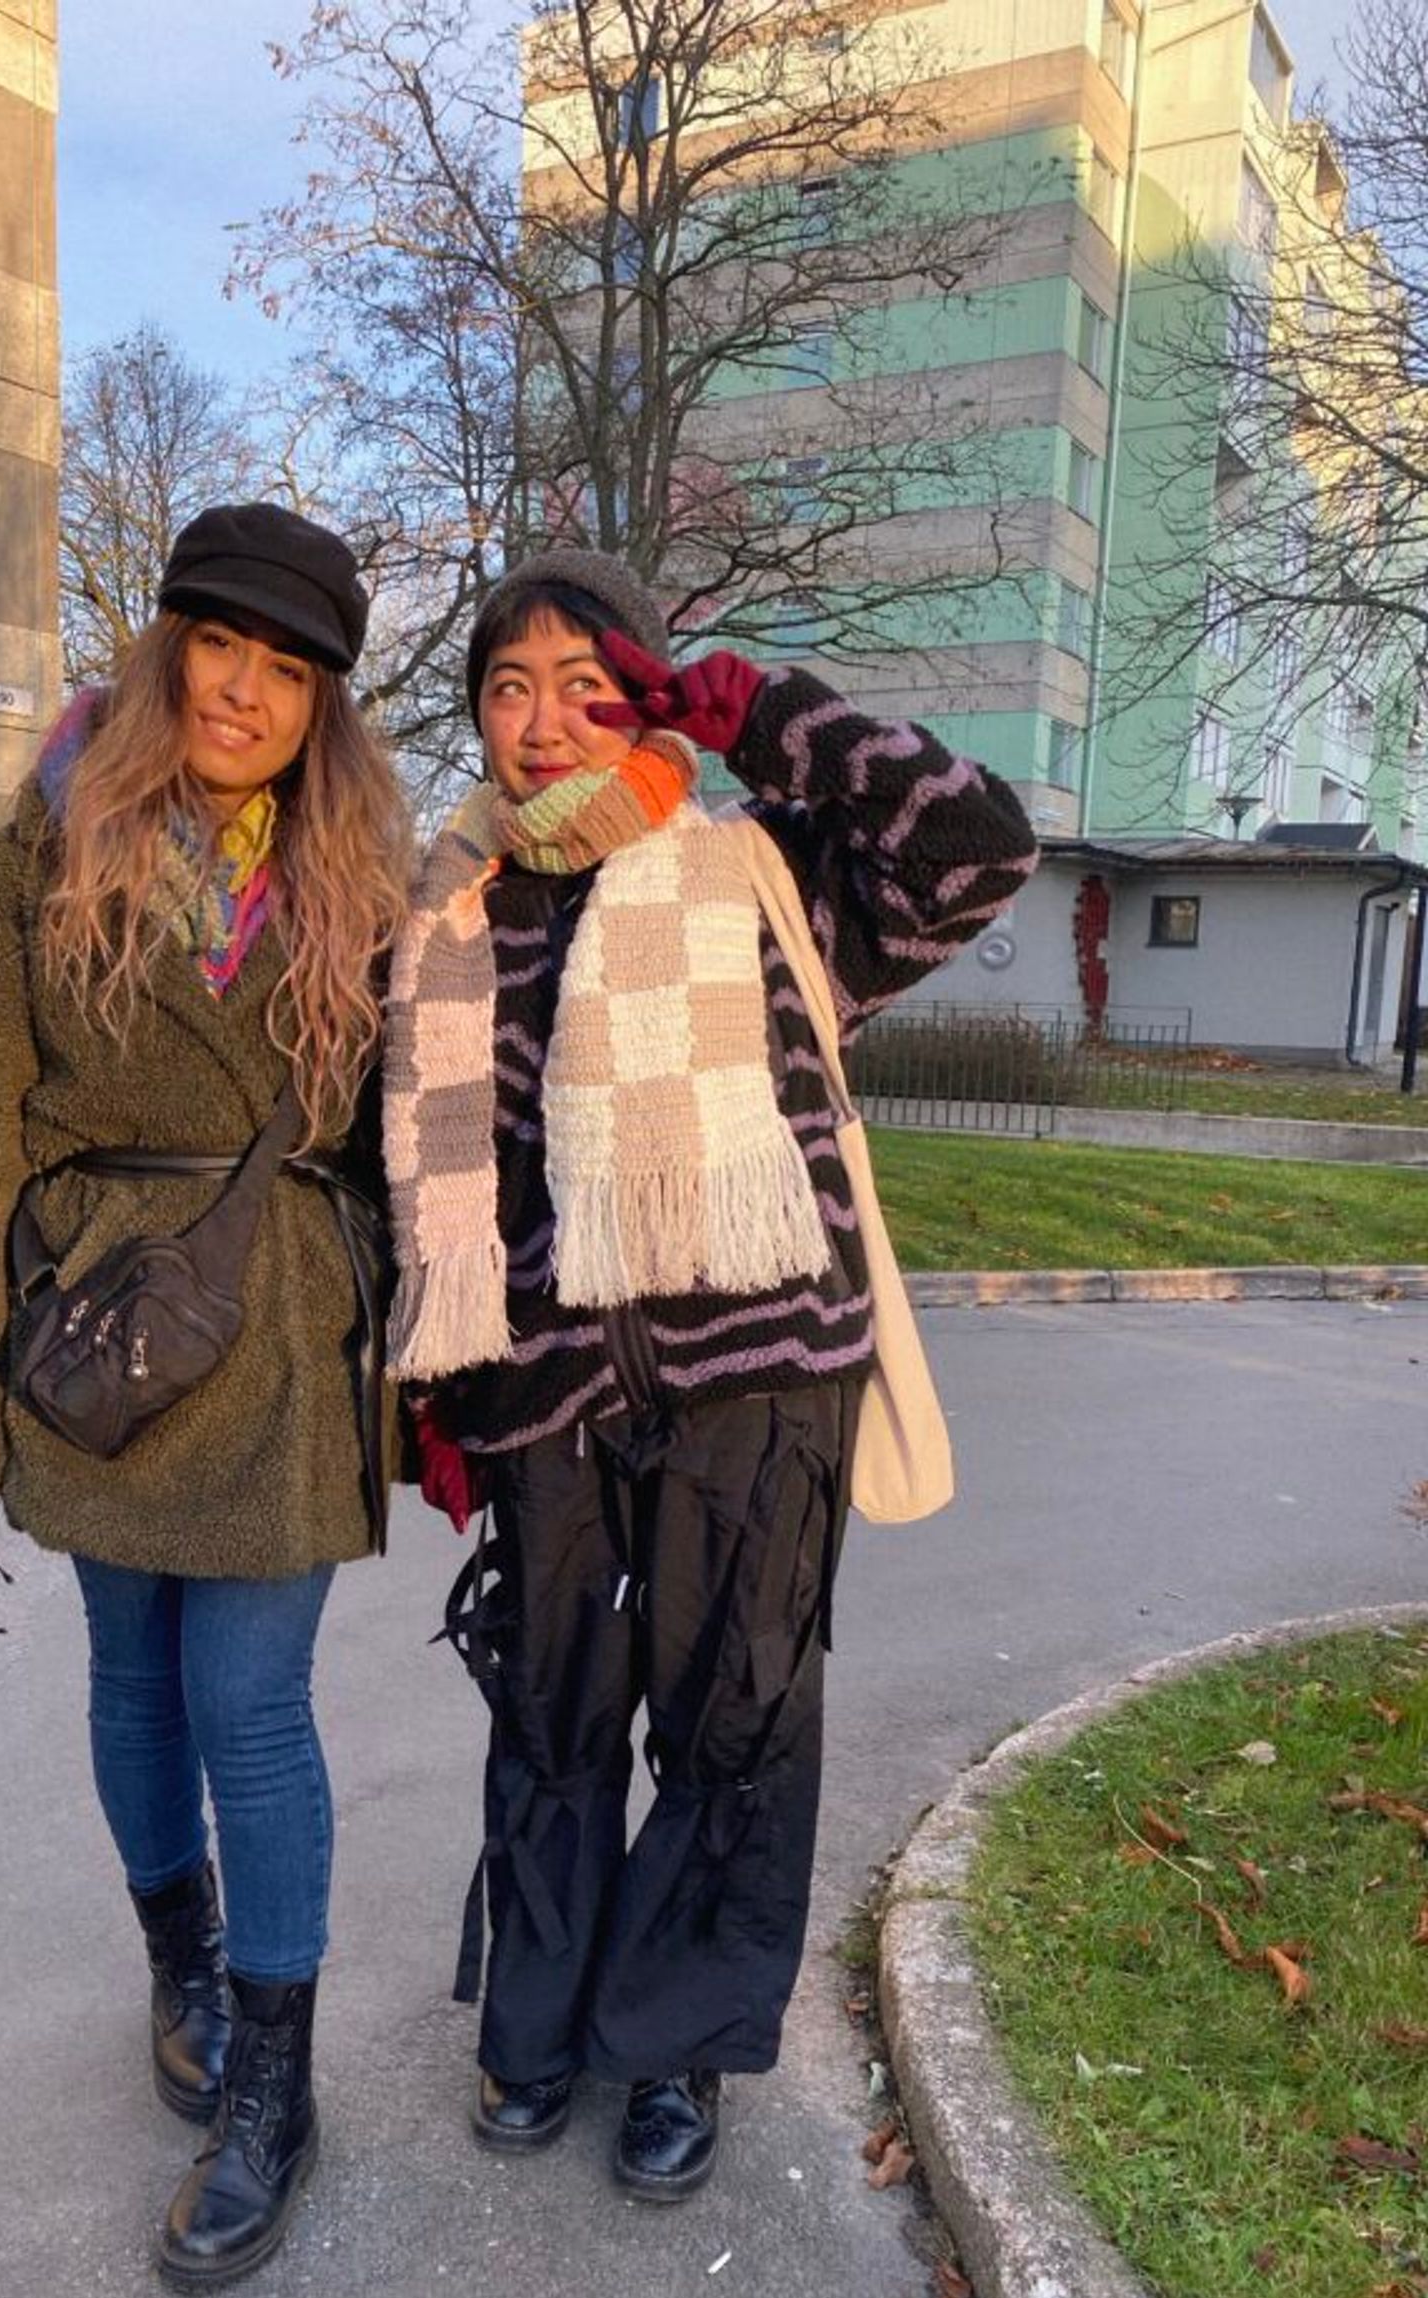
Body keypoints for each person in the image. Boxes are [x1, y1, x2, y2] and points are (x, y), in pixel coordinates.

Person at [385, 548, 1039, 2199]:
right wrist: (435, 1383)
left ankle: (671, 2049)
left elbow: (975, 849)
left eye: (583, 682)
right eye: (507, 686)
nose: (542, 722)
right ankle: (535, 2026)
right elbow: (419, 1166)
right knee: (548, 1718)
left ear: (651, 692)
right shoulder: (452, 904)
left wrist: (769, 714)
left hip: (758, 1385)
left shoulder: (758, 871)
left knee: (734, 1719)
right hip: (542, 1390)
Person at [0, 503, 409, 2288]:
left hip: (273, 1329)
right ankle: (179, 1969)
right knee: (132, 1678)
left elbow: (426, 1131)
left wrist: (449, 1367)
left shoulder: (363, 867)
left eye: (290, 670)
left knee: (249, 1706)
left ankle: (277, 2084)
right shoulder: (52, 832)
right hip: (98, 1337)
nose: (248, 693)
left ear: (321, 700)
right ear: (170, 643)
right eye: (226, 648)